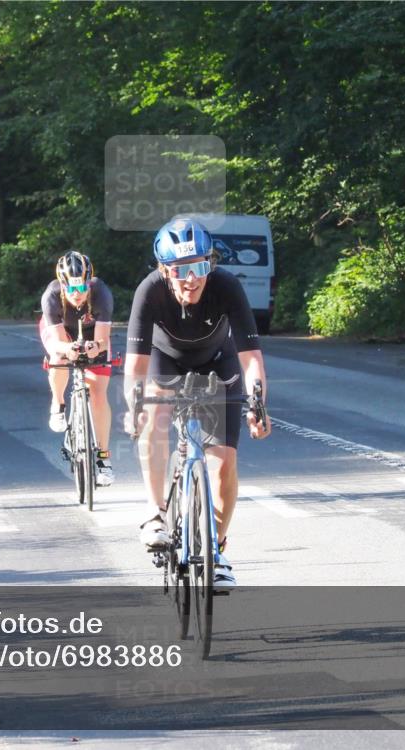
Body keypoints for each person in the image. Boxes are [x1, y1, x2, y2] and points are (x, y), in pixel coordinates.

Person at [123, 217, 271, 590]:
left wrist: (257, 404)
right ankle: (156, 514)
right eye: (182, 270)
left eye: (201, 266)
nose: (192, 279)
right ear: (164, 270)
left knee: (225, 463)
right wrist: (135, 406)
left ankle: (217, 551)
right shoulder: (150, 291)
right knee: (154, 417)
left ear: (211, 264)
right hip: (165, 360)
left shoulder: (226, 287)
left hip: (216, 362)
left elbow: (251, 359)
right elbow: (136, 367)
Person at [39, 251, 115, 487]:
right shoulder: (51, 296)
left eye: (82, 288)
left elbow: (103, 340)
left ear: (89, 282)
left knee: (99, 393)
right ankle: (58, 403)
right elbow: (57, 341)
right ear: (62, 286)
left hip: (92, 333)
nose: (78, 294)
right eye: (71, 289)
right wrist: (68, 349)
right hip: (62, 333)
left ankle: (103, 459)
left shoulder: (101, 293)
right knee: (59, 356)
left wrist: (95, 348)